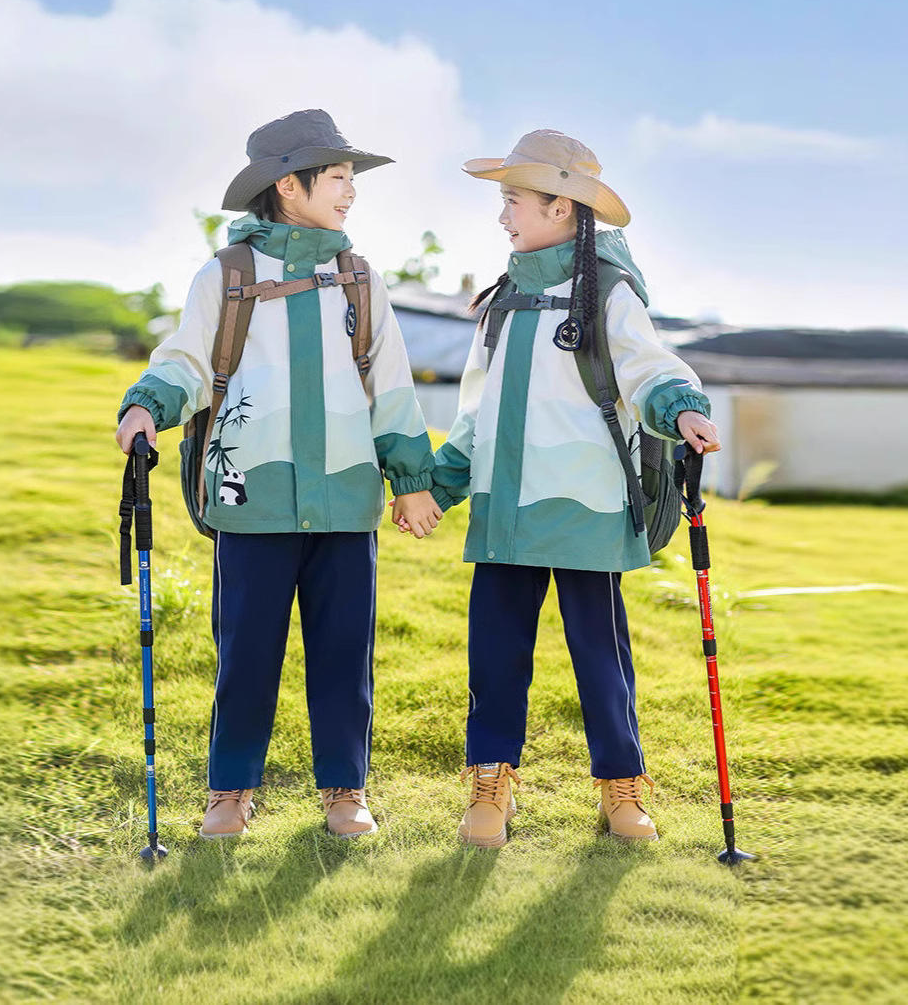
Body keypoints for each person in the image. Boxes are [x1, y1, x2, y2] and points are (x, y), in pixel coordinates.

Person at [116, 109, 441, 839]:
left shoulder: (360, 280)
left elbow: (391, 387)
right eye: (337, 178)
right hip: (250, 498)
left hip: (344, 498)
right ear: (288, 186)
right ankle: (230, 791)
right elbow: (186, 362)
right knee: (246, 656)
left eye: (351, 179)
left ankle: (344, 791)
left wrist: (410, 478)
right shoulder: (226, 276)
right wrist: (146, 405)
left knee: (342, 658)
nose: (350, 192)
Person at [427, 129, 720, 848]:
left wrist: (681, 404)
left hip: (588, 503)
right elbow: (474, 412)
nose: (502, 217)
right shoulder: (500, 302)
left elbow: (647, 366)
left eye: (512, 201)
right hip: (504, 504)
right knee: (495, 655)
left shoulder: (609, 292)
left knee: (601, 656)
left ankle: (622, 790)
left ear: (561, 207)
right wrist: (437, 484)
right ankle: (490, 787)